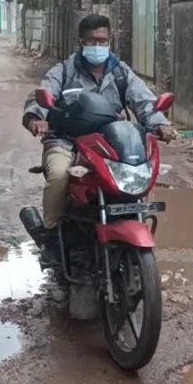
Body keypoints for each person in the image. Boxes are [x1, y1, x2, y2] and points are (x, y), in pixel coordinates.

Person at [22, 14, 174, 246]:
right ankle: (50, 236)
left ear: (110, 40)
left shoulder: (121, 72)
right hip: (67, 140)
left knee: (139, 172)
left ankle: (134, 218)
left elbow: (144, 101)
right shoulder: (64, 71)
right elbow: (43, 94)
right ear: (81, 42)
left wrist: (160, 123)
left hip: (112, 142)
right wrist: (36, 118)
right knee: (59, 176)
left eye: (102, 41)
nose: (97, 46)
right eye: (91, 41)